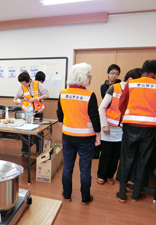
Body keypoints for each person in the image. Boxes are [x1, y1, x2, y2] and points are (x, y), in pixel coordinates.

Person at [57, 62, 101, 205]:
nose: (91, 78)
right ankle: (85, 198)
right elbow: (94, 118)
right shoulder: (89, 95)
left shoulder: (63, 93)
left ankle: (67, 195)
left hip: (67, 137)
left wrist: (64, 128)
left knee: (68, 167)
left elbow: (60, 115)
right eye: (89, 75)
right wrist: (98, 136)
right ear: (82, 77)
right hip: (86, 138)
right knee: (85, 169)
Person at [116, 60, 156, 203]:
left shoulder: (131, 84)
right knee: (143, 158)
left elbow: (122, 104)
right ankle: (136, 194)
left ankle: (121, 193)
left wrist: (127, 115)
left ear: (143, 71)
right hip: (150, 128)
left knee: (127, 156)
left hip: (130, 126)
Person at [97, 68, 142, 186]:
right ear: (130, 79)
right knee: (106, 154)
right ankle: (101, 175)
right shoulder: (114, 88)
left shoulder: (133, 90)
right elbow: (101, 108)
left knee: (116, 155)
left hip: (122, 129)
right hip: (109, 128)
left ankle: (109, 176)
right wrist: (104, 125)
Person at [13, 71, 49, 157]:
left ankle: (39, 151)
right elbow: (16, 96)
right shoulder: (22, 86)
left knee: (38, 132)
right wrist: (15, 100)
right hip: (28, 113)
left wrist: (36, 98)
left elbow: (46, 95)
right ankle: (24, 150)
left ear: (29, 80)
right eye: (22, 84)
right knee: (25, 131)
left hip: (38, 111)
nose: (24, 86)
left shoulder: (38, 84)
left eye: (25, 84)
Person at [94, 64, 121, 159]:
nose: (114, 75)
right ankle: (97, 152)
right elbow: (105, 102)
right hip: (106, 114)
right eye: (112, 73)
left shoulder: (120, 86)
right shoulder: (103, 86)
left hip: (117, 117)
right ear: (107, 74)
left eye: (117, 74)